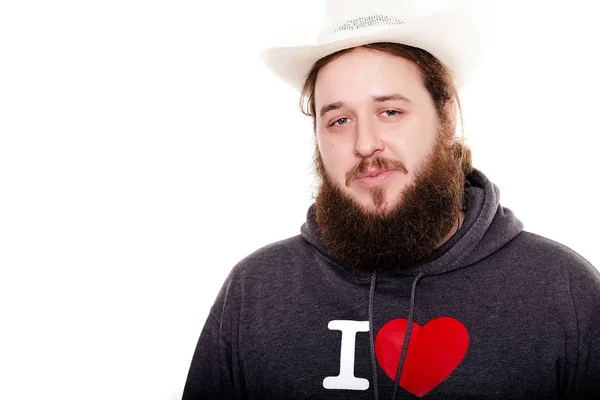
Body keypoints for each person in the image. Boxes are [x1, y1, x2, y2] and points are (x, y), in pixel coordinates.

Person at [182, 1, 600, 398]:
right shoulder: (255, 291)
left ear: (447, 117)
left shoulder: (563, 290)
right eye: (340, 120)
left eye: (390, 112)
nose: (365, 144)